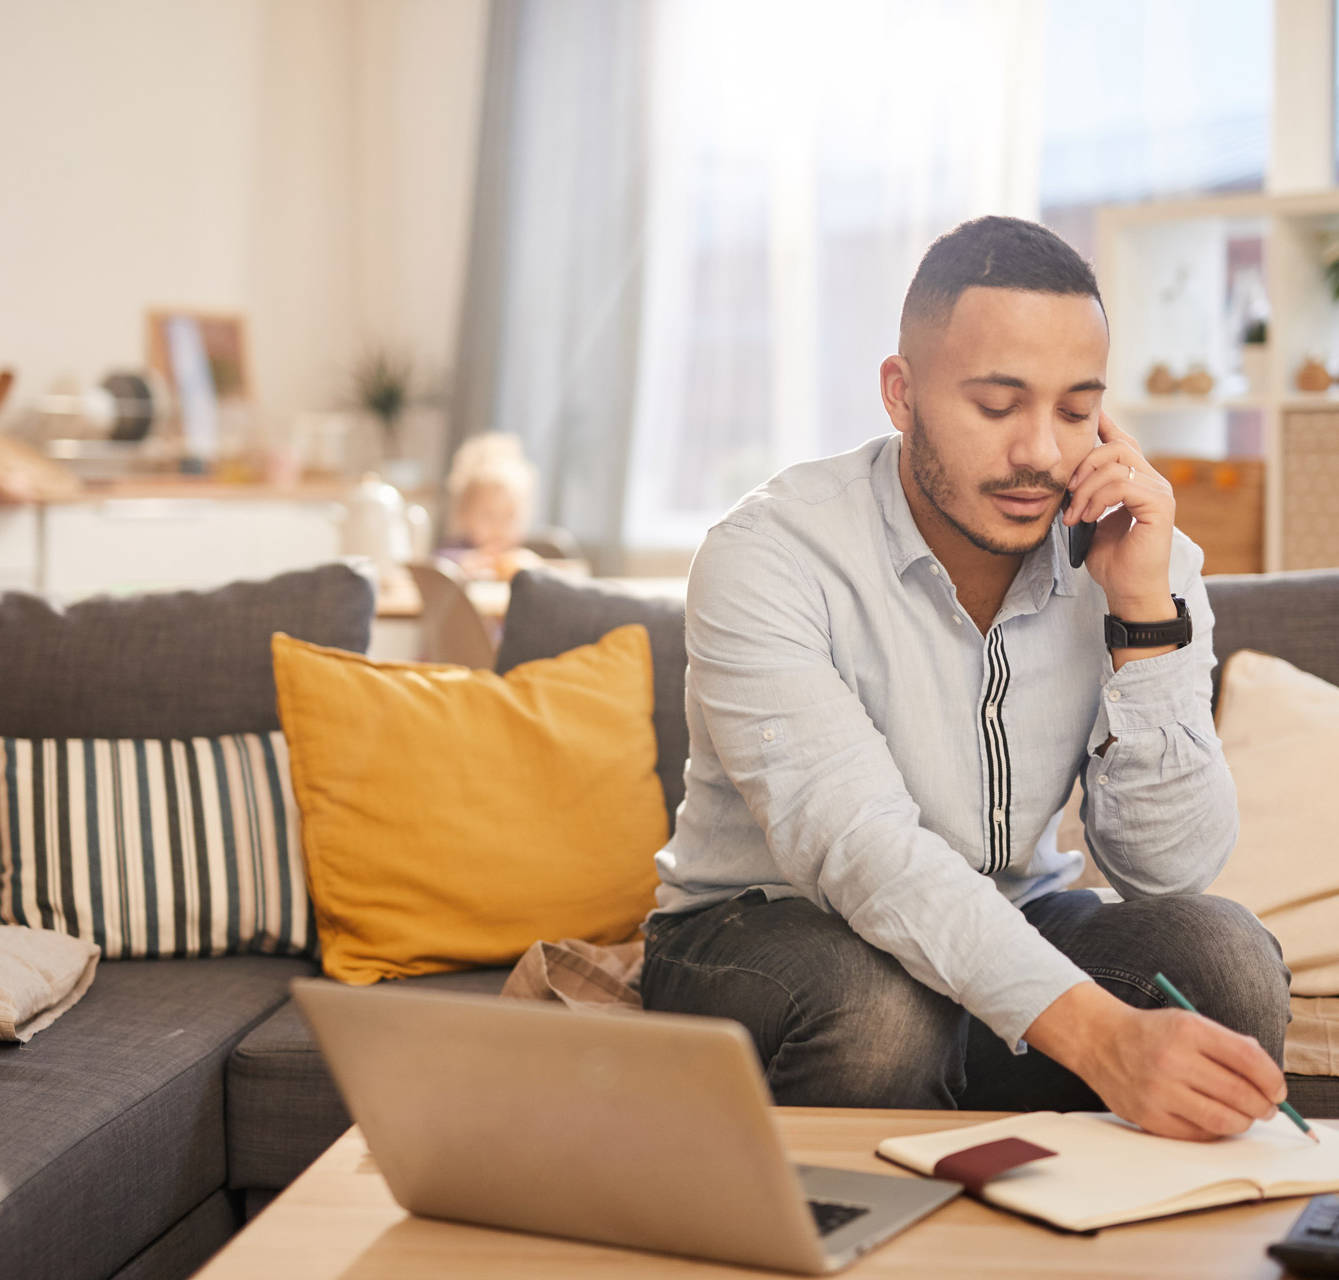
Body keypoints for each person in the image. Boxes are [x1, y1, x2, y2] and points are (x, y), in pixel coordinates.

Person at [640, 216, 1291, 1142]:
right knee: (876, 1014)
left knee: (1221, 960)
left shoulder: (1143, 558)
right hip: (764, 937)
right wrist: (1103, 1040)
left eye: (1074, 412)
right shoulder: (769, 555)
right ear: (900, 394)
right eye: (996, 406)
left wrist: (1141, 617)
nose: (1040, 452)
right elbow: (862, 851)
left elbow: (1170, 870)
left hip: (1008, 920)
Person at [441, 432, 543, 580]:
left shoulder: (519, 559)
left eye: (510, 515)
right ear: (464, 514)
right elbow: (437, 567)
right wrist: (467, 563)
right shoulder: (455, 553)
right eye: (488, 515)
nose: (499, 526)